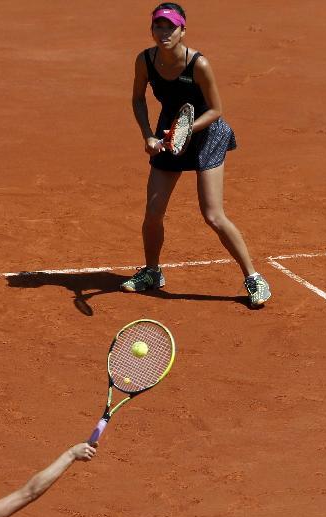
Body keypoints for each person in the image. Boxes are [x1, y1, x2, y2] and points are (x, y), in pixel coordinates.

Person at [121, 3, 271, 308]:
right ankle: (152, 272)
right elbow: (137, 98)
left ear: (182, 30)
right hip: (169, 132)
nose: (164, 33)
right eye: (158, 26)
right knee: (153, 212)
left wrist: (186, 131)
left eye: (170, 27)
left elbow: (217, 109)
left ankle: (254, 278)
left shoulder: (199, 64)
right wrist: (148, 134)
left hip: (207, 134)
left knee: (212, 214)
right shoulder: (145, 61)